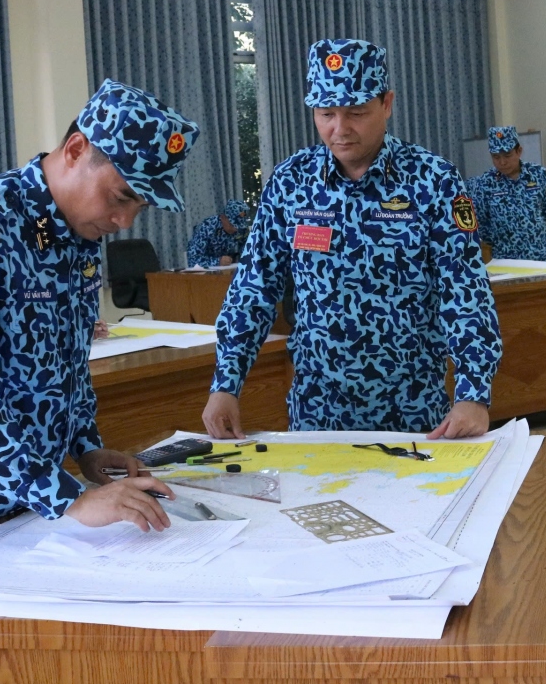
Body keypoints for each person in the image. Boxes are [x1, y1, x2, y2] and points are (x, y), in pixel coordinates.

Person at [0, 80, 199, 571]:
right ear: (75, 149)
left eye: (140, 206)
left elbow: (67, 362)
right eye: (121, 196)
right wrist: (68, 498)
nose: (125, 221)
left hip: (30, 505)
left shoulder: (80, 238)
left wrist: (86, 448)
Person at [203, 38, 502, 440]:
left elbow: (464, 291)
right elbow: (254, 287)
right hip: (318, 412)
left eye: (356, 113)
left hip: (414, 413)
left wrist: (474, 393)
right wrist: (226, 381)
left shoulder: (433, 180)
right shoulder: (292, 183)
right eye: (325, 113)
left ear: (387, 104)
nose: (339, 130)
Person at [466, 126, 546, 262]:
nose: (502, 162)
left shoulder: (538, 174)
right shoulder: (485, 183)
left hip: (540, 255)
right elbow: (481, 223)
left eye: (507, 155)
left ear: (519, 151)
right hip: (506, 259)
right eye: (496, 157)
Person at [186, 199, 252, 267]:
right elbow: (192, 260)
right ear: (223, 218)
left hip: (230, 271)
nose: (235, 229)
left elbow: (248, 250)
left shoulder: (242, 229)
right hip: (206, 273)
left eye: (239, 225)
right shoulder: (207, 227)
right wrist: (218, 261)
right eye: (232, 225)